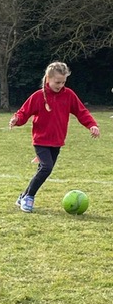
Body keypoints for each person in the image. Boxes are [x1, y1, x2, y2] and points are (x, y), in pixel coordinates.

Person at [9, 62, 100, 213]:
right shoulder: (38, 96)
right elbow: (23, 113)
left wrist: (92, 125)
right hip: (41, 140)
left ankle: (22, 196)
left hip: (57, 141)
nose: (60, 85)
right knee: (46, 167)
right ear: (48, 79)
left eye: (63, 82)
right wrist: (16, 119)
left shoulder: (69, 95)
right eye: (57, 82)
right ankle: (29, 197)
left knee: (43, 170)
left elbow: (81, 112)